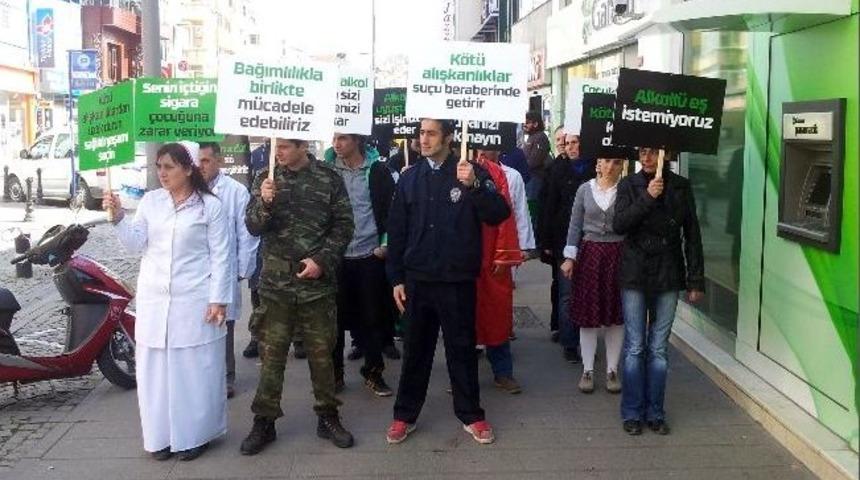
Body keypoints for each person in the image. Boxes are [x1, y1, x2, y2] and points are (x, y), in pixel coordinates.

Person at [385, 119, 510, 445]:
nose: (423, 139)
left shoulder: (471, 172)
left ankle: (471, 414)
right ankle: (404, 415)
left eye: (431, 133)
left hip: (457, 279)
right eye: (421, 133)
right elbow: (397, 230)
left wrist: (475, 186)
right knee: (415, 350)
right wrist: (396, 277)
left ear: (449, 137)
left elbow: (499, 212)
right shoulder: (410, 177)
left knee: (462, 348)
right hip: (418, 279)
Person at [104, 141, 230, 462]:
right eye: (159, 166)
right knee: (156, 375)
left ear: (188, 169)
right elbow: (135, 244)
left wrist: (219, 299)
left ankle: (195, 435)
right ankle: (159, 436)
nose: (162, 173)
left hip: (195, 299)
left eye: (169, 167)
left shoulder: (209, 206)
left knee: (193, 372)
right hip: (155, 301)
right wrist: (118, 218)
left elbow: (221, 256)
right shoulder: (151, 202)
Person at [240, 138, 355, 455]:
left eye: (285, 146)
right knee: (271, 356)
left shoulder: (328, 177)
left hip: (316, 285)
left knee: (322, 354)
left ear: (303, 146)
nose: (278, 152)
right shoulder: (265, 177)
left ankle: (328, 415)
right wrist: (264, 203)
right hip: (275, 286)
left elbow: (344, 225)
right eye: (275, 146)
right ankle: (264, 421)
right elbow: (252, 226)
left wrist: (322, 260)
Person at [613, 147, 704, 436]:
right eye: (642, 152)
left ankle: (655, 412)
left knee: (658, 348)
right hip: (635, 272)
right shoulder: (629, 185)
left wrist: (695, 280)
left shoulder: (680, 186)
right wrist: (648, 197)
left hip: (668, 272)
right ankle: (632, 412)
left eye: (653, 152)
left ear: (666, 155)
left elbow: (692, 234)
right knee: (635, 346)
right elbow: (619, 224)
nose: (647, 158)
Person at [324, 133, 397, 397]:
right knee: (333, 320)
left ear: (357, 140)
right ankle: (335, 374)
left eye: (343, 138)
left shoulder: (377, 171)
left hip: (369, 255)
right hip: (336, 257)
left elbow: (392, 211)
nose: (337, 144)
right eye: (334, 138)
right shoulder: (327, 172)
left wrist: (385, 244)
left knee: (372, 318)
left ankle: (374, 372)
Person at [560, 156, 627, 395]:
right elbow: (574, 225)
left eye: (616, 162)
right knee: (588, 314)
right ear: (598, 163)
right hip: (590, 254)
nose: (610, 166)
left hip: (618, 255)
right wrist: (570, 257)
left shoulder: (626, 190)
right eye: (606, 161)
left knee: (615, 314)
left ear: (622, 166)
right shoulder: (584, 189)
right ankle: (588, 369)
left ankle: (612, 370)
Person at [198, 142, 259, 399]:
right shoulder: (188, 190)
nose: (200, 167)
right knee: (197, 327)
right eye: (196, 162)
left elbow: (247, 234)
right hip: (195, 272)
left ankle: (226, 377)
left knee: (223, 326)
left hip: (225, 269)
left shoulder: (235, 191)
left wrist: (242, 269)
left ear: (219, 161)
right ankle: (200, 378)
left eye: (206, 161)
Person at [539, 134, 596, 362]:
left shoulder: (596, 169)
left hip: (591, 239)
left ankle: (587, 340)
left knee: (588, 293)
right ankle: (569, 342)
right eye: (569, 143)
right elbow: (548, 206)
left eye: (577, 142)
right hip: (563, 239)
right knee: (567, 293)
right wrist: (546, 241)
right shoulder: (557, 170)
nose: (572, 147)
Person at [475, 150, 526, 394]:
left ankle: (502, 371)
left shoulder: (494, 173)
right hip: (460, 256)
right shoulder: (449, 169)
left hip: (490, 253)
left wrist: (503, 254)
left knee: (496, 313)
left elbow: (505, 215)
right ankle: (462, 375)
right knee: (461, 319)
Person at [541, 126, 569, 342]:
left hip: (571, 235)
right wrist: (546, 240)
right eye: (558, 139)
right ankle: (559, 326)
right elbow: (546, 205)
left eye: (564, 140)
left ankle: (569, 329)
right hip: (558, 236)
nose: (561, 144)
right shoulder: (551, 167)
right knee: (559, 284)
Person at [523, 111, 552, 220]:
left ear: (535, 124)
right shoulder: (531, 137)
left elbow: (534, 161)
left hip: (535, 179)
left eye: (528, 122)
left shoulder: (540, 137)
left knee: (532, 211)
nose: (525, 125)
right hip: (529, 179)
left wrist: (522, 166)